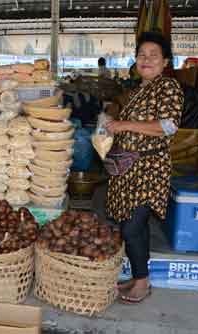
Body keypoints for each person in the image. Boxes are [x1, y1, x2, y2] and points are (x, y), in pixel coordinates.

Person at [105, 32, 184, 304]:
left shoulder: (169, 87)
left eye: (153, 55)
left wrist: (125, 125)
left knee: (132, 226)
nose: (146, 59)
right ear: (135, 61)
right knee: (132, 225)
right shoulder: (137, 91)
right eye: (141, 55)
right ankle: (140, 277)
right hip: (128, 167)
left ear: (165, 62)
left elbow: (168, 126)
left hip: (150, 167)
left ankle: (143, 283)